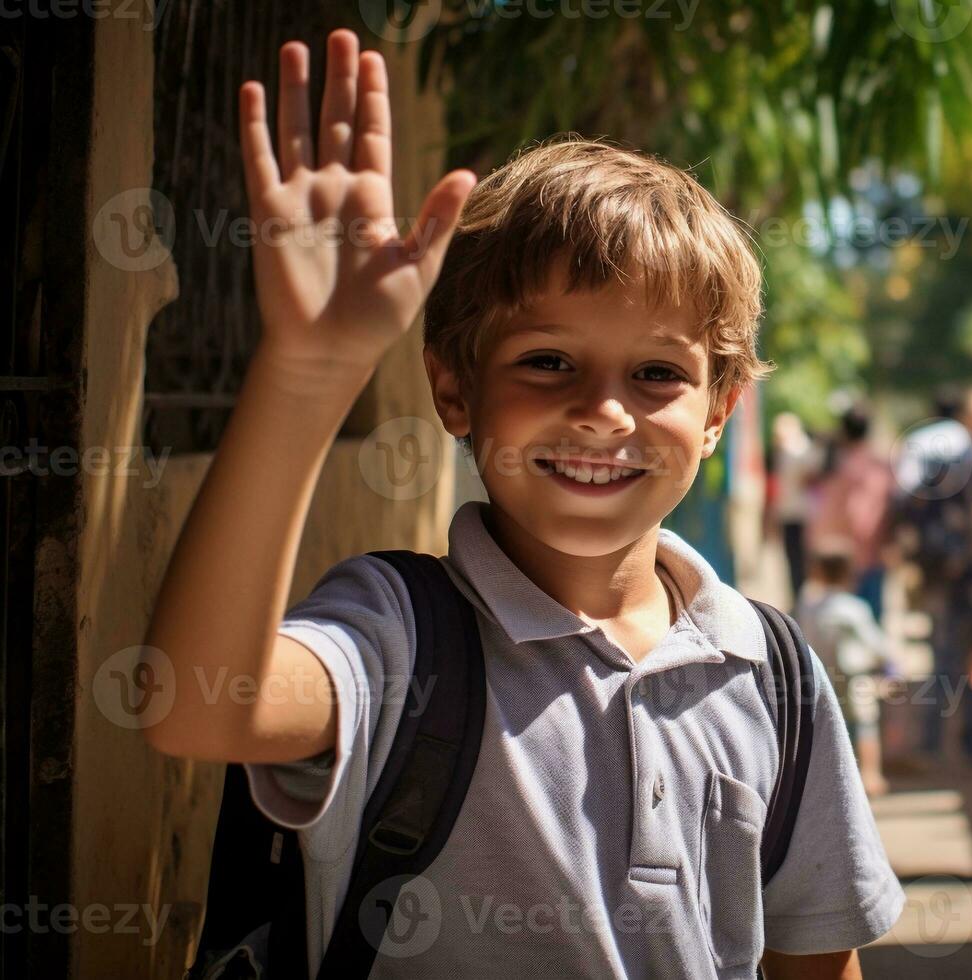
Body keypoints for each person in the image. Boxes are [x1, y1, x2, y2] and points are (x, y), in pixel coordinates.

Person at [141, 31, 903, 979]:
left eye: (658, 373)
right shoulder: (398, 635)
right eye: (548, 362)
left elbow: (815, 958)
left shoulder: (774, 674)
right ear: (454, 390)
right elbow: (196, 709)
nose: (603, 412)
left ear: (719, 412)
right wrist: (307, 370)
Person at [891, 387, 972, 769]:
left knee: (943, 657)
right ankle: (971, 745)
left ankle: (933, 744)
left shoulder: (928, 449)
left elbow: (907, 502)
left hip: (941, 569)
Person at [795, 544, 904, 797]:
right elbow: (875, 643)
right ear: (848, 573)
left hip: (821, 674)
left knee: (823, 723)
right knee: (865, 723)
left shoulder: (809, 607)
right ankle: (870, 775)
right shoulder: (854, 607)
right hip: (856, 675)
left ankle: (824, 777)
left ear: (816, 572)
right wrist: (893, 664)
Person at [806, 404, 896, 621]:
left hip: (839, 555)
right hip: (870, 550)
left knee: (841, 618)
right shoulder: (880, 464)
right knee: (870, 619)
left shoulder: (834, 464)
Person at [765, 412, 822, 603]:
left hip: (796, 513)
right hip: (804, 512)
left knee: (796, 561)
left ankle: (801, 599)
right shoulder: (808, 450)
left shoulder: (791, 452)